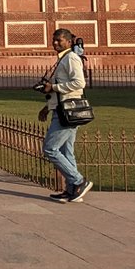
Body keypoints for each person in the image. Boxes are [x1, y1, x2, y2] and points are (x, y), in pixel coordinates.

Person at [40, 28, 93, 203]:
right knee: (66, 151)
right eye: (54, 40)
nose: (55, 43)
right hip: (62, 108)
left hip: (67, 111)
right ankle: (72, 191)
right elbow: (61, 88)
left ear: (69, 42)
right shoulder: (63, 58)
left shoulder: (71, 58)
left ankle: (79, 181)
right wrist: (47, 107)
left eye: (59, 40)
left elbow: (79, 83)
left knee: (50, 148)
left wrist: (53, 88)